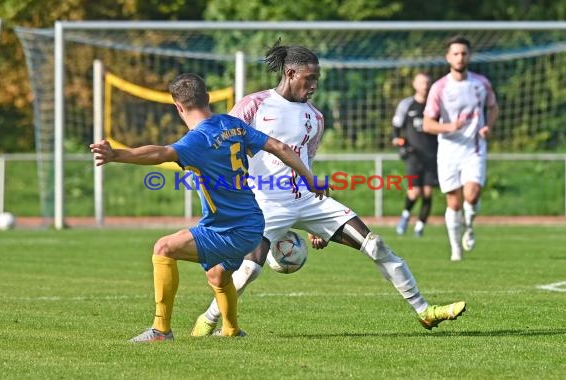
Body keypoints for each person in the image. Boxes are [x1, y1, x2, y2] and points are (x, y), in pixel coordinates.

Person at [191, 39, 466, 337]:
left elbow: (307, 165)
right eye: (309, 78)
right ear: (290, 73)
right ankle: (206, 321)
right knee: (250, 270)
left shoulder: (315, 117)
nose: (314, 86)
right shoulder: (254, 104)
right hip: (266, 202)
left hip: (309, 201)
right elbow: (226, 143)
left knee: (375, 244)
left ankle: (424, 311)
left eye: (317, 79)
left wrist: (314, 225)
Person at [89, 73, 326, 342]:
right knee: (217, 274)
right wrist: (310, 179)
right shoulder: (233, 125)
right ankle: (232, 330)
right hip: (252, 224)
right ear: (208, 98)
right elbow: (279, 146)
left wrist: (117, 154)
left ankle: (160, 331)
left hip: (228, 230)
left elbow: (161, 153)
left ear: (178, 107)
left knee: (163, 248)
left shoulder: (197, 140)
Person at [423, 36, 499, 261]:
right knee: (454, 202)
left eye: (463, 53)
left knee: (472, 194)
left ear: (469, 56)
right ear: (448, 58)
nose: (460, 57)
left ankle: (470, 225)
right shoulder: (439, 87)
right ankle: (456, 248)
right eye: (455, 54)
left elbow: (493, 108)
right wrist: (449, 126)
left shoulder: (481, 83)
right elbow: (428, 123)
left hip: (474, 148)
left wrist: (488, 127)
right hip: (448, 151)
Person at [392, 72, 438, 237]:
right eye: (421, 83)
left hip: (432, 155)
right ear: (414, 85)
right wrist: (397, 139)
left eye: (427, 82)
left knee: (427, 193)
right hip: (413, 154)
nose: (425, 86)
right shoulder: (407, 104)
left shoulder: (435, 105)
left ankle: (420, 226)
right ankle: (405, 216)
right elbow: (396, 125)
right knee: (414, 192)